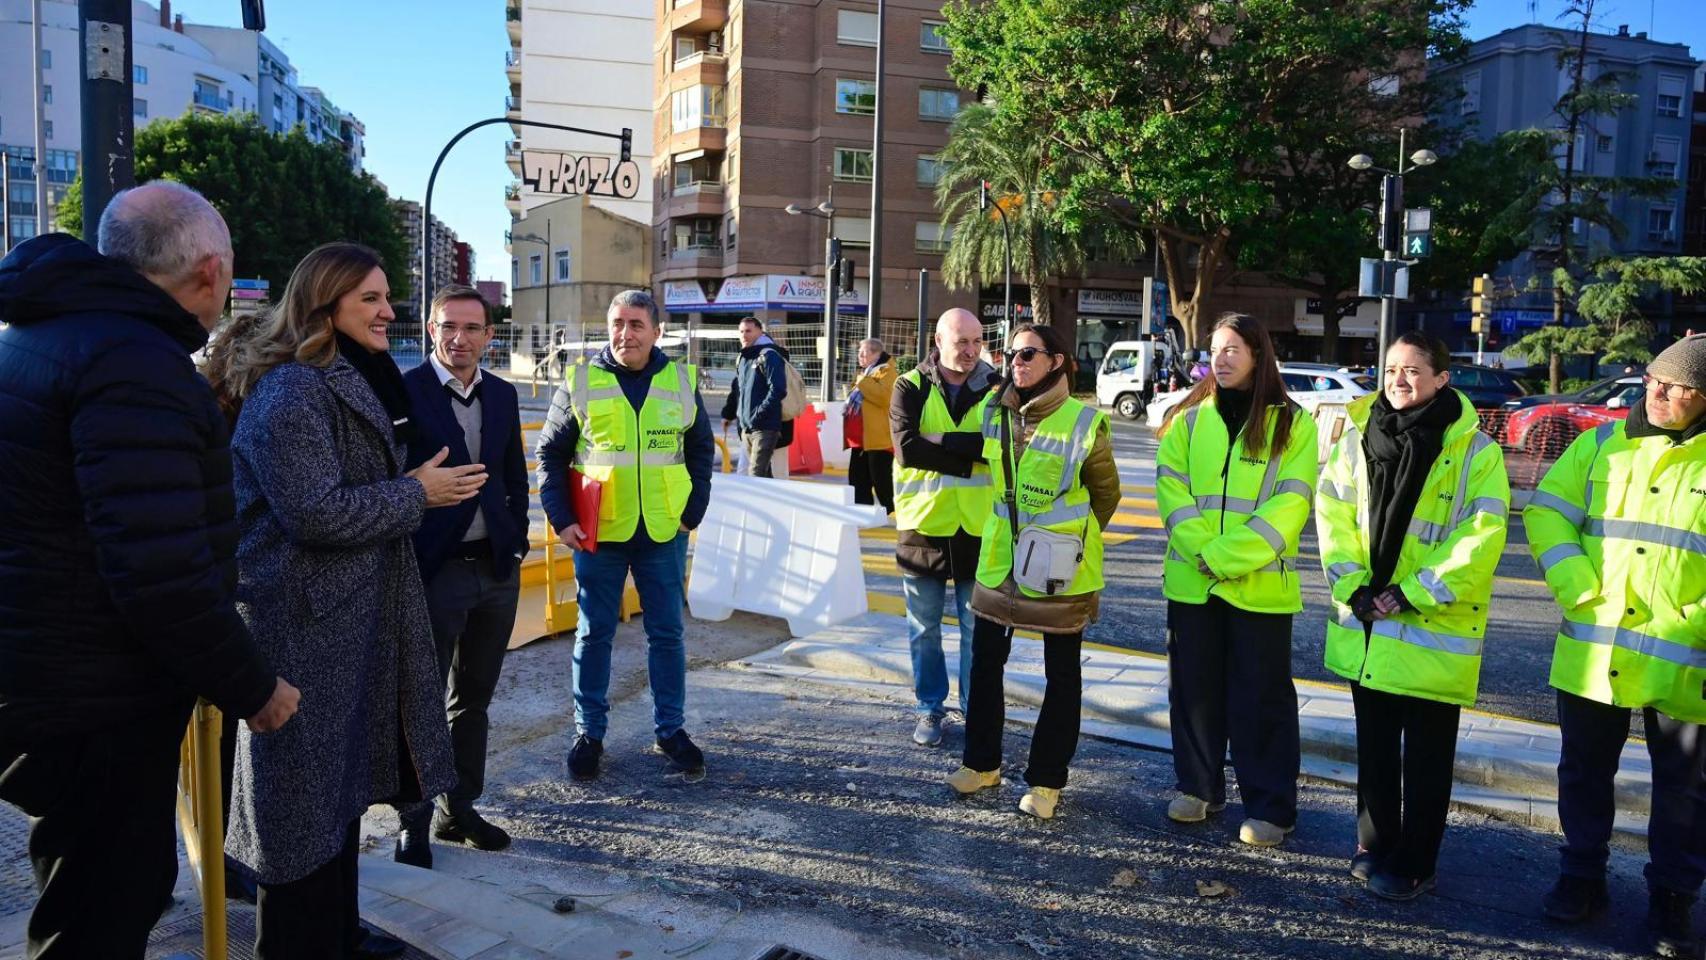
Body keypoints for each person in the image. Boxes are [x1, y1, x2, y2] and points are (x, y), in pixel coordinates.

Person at [0, 183, 299, 960]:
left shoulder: (41, 333)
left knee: (80, 891)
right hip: (92, 696)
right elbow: (158, 570)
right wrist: (253, 689)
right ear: (208, 272)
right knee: (106, 908)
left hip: (42, 673)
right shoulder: (136, 367)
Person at [206, 242, 473, 960]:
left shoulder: (328, 377)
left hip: (338, 626)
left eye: (388, 297)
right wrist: (418, 491)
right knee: (297, 816)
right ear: (325, 304)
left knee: (333, 801)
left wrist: (410, 486)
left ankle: (336, 939)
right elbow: (315, 513)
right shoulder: (293, 389)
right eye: (371, 300)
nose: (390, 311)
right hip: (301, 633)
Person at [1526, 333, 1706, 959]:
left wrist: (1691, 624)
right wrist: (1578, 587)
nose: (1657, 393)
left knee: (1683, 790)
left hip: (1682, 659)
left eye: (1677, 387)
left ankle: (1672, 904)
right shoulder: (1602, 442)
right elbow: (1547, 512)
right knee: (1583, 773)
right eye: (1655, 378)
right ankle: (1580, 879)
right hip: (1595, 648)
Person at [1315, 331, 1509, 900]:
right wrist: (1352, 585)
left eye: (1413, 371)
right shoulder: (1357, 436)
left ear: (1441, 379)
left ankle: (1416, 861)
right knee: (1374, 746)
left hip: (1429, 624)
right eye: (1391, 368)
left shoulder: (1475, 449)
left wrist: (1410, 592)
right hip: (1368, 620)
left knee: (1426, 758)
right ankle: (1374, 843)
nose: (1398, 380)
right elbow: (1333, 515)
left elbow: (1484, 532)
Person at [537, 290, 715, 781]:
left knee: (667, 635)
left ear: (657, 332)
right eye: (617, 323)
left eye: (636, 324)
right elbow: (550, 455)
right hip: (600, 533)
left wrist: (692, 512)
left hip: (663, 530)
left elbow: (701, 451)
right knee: (593, 634)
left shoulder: (680, 380)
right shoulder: (580, 381)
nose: (625, 334)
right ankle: (588, 734)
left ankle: (670, 731)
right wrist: (560, 517)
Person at [1155, 313, 1318, 848]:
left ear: (1257, 355)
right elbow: (1171, 491)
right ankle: (1198, 786)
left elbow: (1291, 504)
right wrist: (1205, 552)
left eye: (1233, 350)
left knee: (1261, 700)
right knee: (1194, 691)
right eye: (1215, 349)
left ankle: (1271, 806)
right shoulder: (1187, 420)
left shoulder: (1292, 424)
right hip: (1193, 582)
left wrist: (1223, 557)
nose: (1220, 359)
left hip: (1258, 587)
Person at [946, 323, 1120, 820]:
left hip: (1060, 568)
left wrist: (1071, 541)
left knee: (1061, 675)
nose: (1015, 362)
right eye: (1011, 354)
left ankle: (1047, 780)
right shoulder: (993, 412)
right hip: (1000, 560)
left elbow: (1106, 495)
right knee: (984, 665)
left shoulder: (1084, 423)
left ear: (1057, 361)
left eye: (1027, 354)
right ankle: (981, 764)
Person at [391, 285, 532, 868]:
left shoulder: (501, 394)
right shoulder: (402, 391)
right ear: (430, 329)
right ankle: (413, 820)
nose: (460, 338)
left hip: (495, 573)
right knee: (419, 701)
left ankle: (459, 808)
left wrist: (516, 541)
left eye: (473, 328)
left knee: (472, 700)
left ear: (489, 335)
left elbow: (515, 475)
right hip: (433, 572)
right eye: (449, 326)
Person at [891, 309, 999, 747]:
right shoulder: (909, 385)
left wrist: (941, 442)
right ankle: (929, 709)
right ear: (938, 342)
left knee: (977, 630)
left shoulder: (997, 387)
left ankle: (976, 712)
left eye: (977, 341)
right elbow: (906, 449)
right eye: (961, 342)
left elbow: (1002, 445)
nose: (971, 350)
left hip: (979, 527)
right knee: (924, 627)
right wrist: (970, 450)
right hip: (924, 526)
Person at [721, 315, 787, 477]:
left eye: (749, 331)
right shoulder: (743, 358)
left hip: (764, 427)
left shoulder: (769, 355)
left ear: (760, 331)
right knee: (761, 474)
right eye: (741, 331)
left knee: (755, 475)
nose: (744, 335)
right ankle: (774, 502)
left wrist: (758, 414)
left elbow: (778, 389)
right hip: (747, 427)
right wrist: (729, 414)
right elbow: (738, 390)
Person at [847, 337, 898, 512]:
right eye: (859, 353)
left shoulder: (887, 371)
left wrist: (862, 381)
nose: (859, 356)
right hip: (861, 438)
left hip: (878, 438)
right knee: (857, 479)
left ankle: (891, 512)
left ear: (876, 353)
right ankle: (862, 510)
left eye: (864, 353)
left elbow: (884, 398)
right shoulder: (869, 372)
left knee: (881, 481)